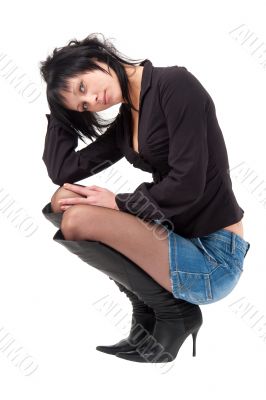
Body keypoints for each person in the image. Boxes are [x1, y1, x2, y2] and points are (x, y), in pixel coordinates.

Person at [39, 32, 251, 363]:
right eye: (83, 105)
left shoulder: (175, 85)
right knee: (62, 199)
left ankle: (172, 313)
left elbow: (188, 184)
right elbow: (64, 170)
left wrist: (118, 202)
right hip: (176, 241)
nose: (93, 100)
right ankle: (149, 307)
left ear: (96, 58)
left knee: (79, 218)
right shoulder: (129, 118)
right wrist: (61, 113)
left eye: (84, 87)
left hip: (214, 258)